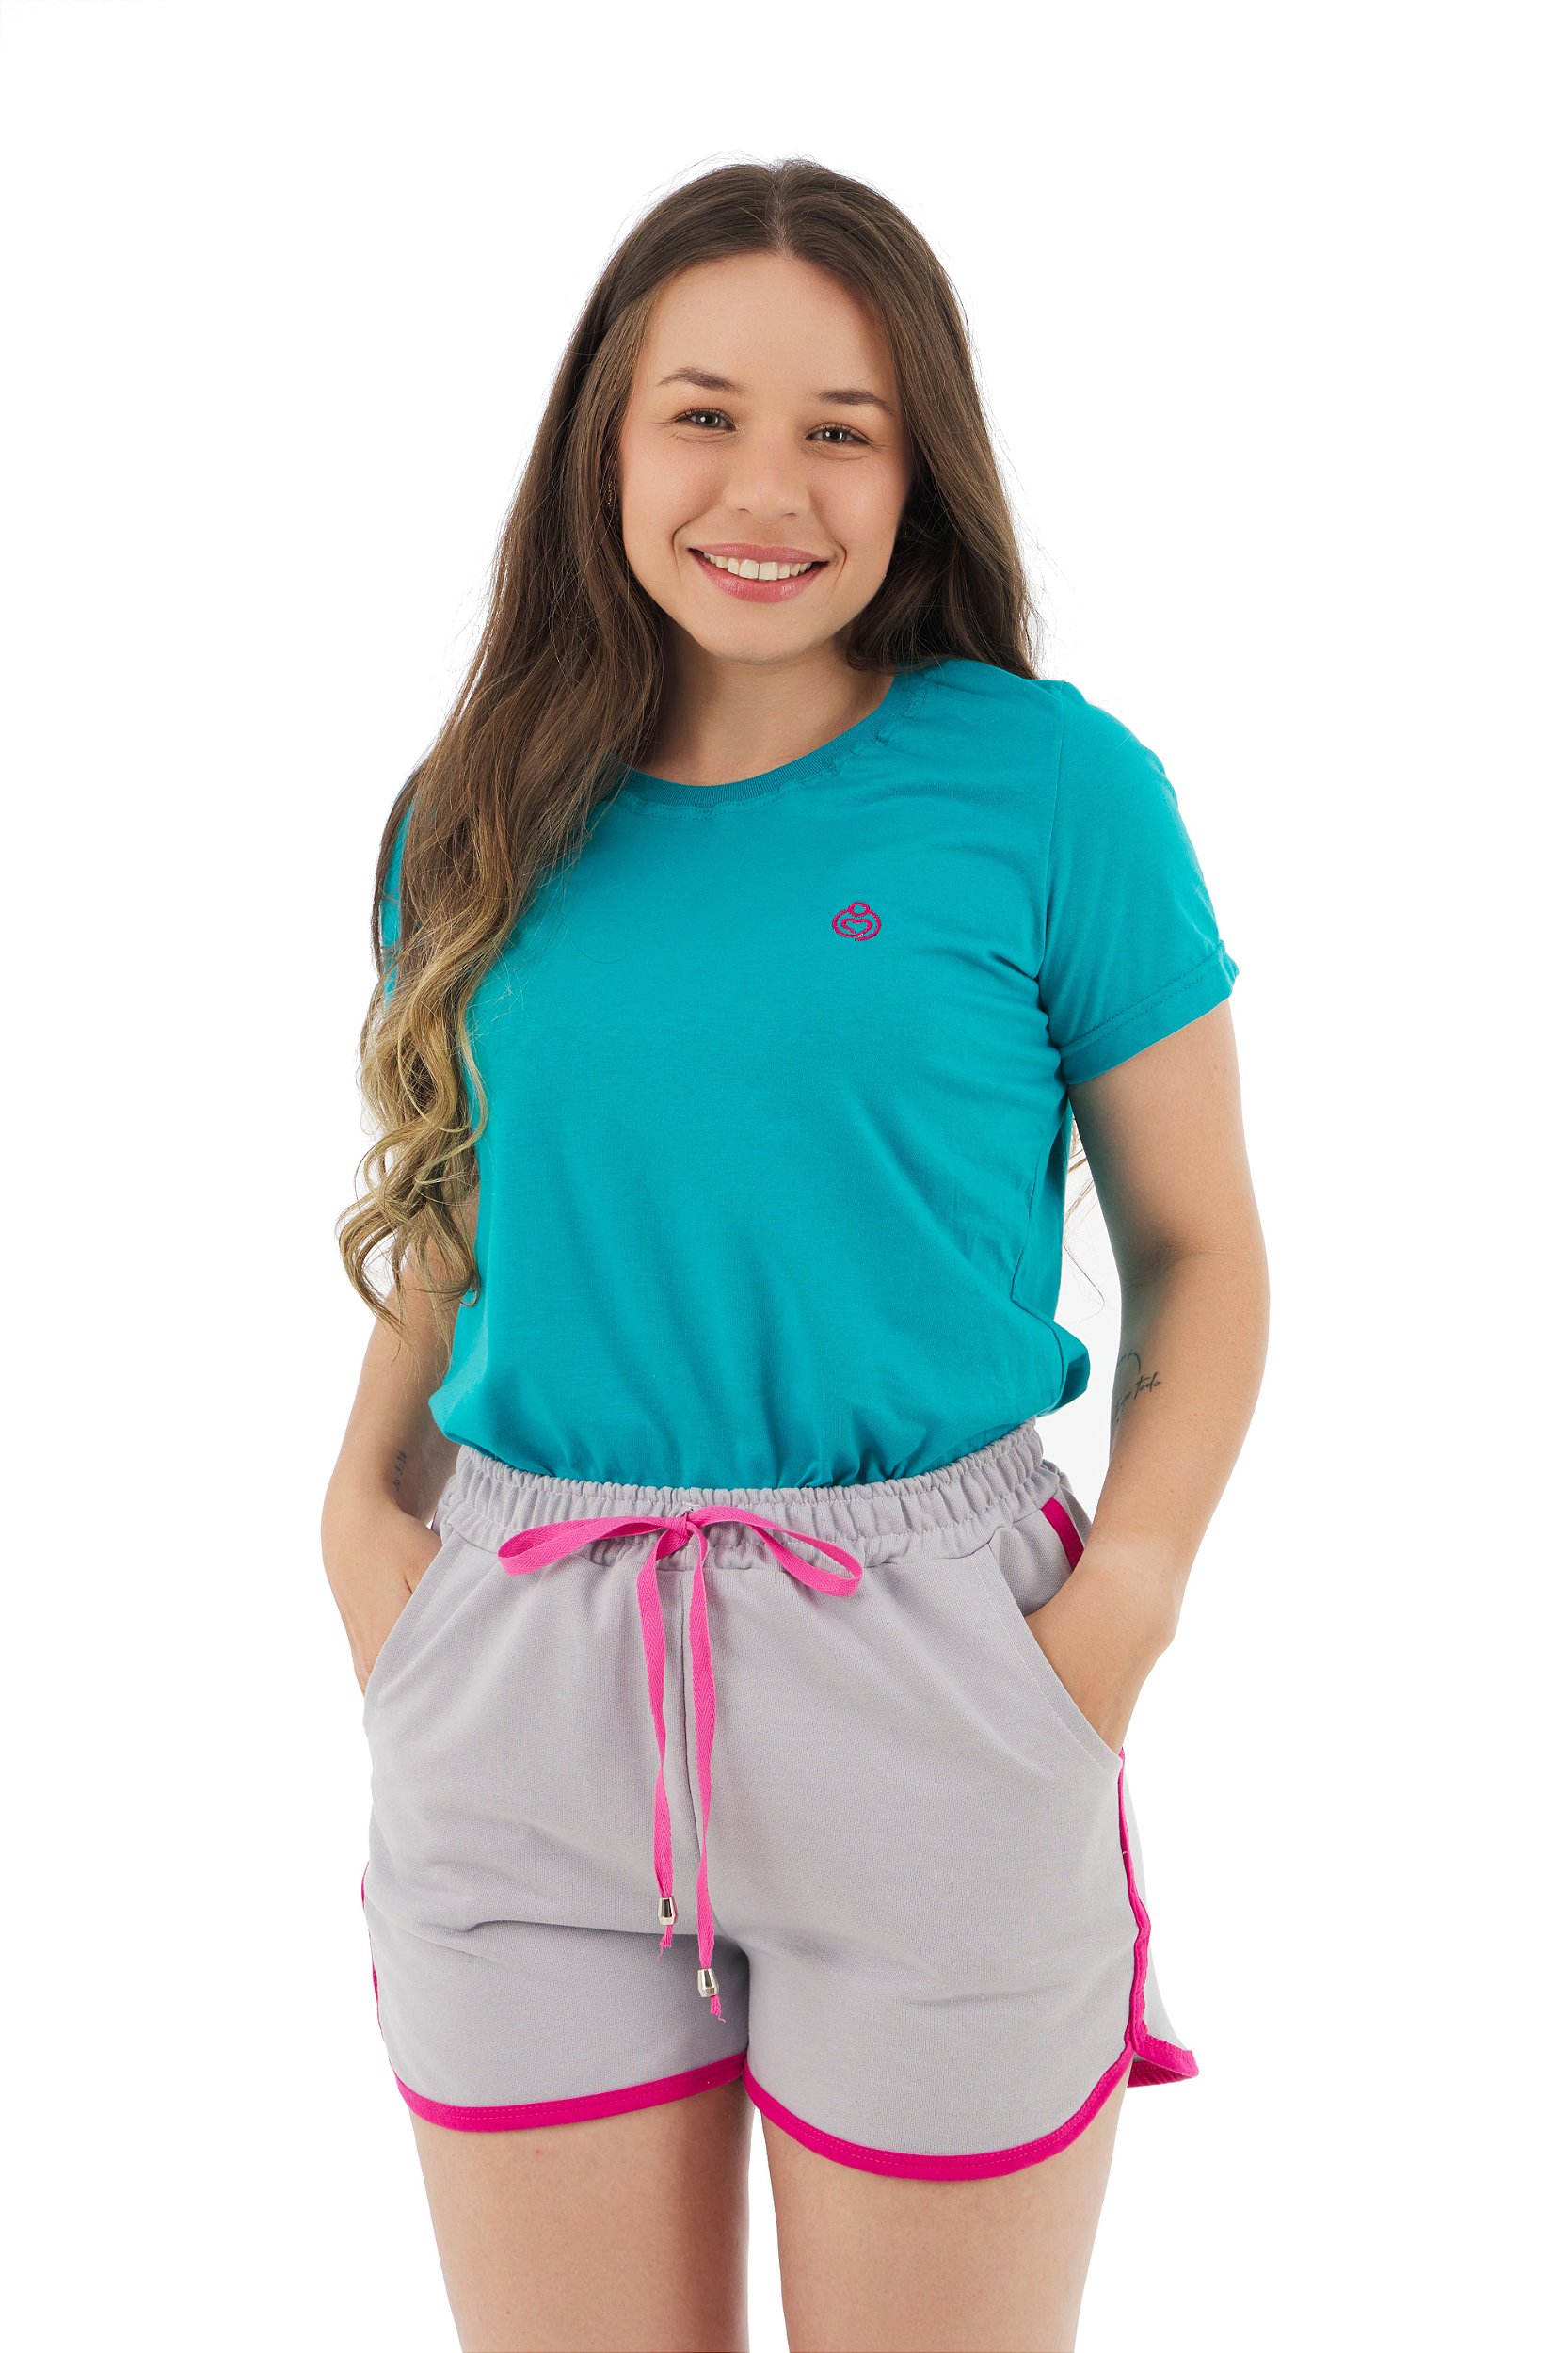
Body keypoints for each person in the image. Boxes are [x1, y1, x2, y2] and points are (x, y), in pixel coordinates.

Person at [322, 156, 1269, 2353]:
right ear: (603, 442)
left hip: (935, 1683)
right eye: (702, 415)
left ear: (916, 464)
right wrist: (364, 1523)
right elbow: (459, 1200)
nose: (767, 488)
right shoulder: (472, 810)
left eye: (840, 427)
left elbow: (1198, 1246)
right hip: (517, 1675)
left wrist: (1113, 1611)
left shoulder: (1049, 791)